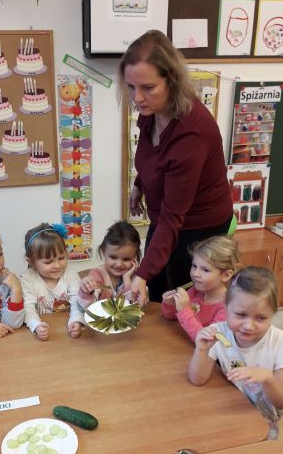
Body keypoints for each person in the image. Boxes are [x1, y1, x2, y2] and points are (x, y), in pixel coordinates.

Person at [118, 30, 233, 305]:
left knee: (180, 298)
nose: (137, 97)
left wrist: (142, 275)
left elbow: (172, 219)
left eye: (148, 87)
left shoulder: (191, 133)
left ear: (172, 80)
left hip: (199, 226)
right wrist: (139, 185)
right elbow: (152, 157)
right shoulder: (151, 113)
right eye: (131, 87)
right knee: (154, 284)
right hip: (168, 217)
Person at [187, 266, 283, 439]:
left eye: (261, 318)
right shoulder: (219, 332)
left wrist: (268, 378)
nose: (248, 326)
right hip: (231, 408)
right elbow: (197, 379)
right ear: (225, 306)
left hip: (265, 421)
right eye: (240, 315)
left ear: (274, 311)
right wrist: (201, 350)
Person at [161, 236, 240, 342]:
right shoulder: (194, 291)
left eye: (205, 270)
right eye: (194, 266)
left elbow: (207, 341)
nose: (195, 273)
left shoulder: (227, 306)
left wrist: (183, 310)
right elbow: (170, 316)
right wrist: (170, 304)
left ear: (226, 275)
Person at [21, 222, 84, 341]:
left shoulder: (71, 275)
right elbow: (28, 307)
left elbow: (77, 302)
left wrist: (76, 321)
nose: (57, 265)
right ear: (31, 261)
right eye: (48, 262)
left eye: (61, 258)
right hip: (42, 335)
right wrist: (36, 325)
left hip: (65, 334)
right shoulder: (27, 279)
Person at [77, 220, 141, 309]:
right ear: (103, 251)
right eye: (113, 257)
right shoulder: (97, 275)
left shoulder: (138, 277)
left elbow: (135, 307)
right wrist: (86, 292)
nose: (119, 264)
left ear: (135, 257)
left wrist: (127, 281)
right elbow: (87, 306)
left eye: (126, 259)